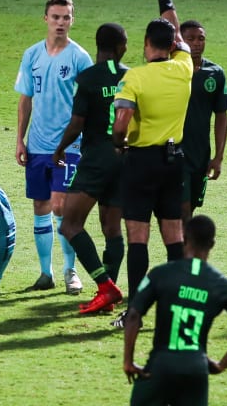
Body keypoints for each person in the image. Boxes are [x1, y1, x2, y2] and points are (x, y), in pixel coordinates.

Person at [111, 0, 192, 327]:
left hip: (141, 162)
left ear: (146, 45)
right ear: (173, 45)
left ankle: (135, 312)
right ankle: (174, 309)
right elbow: (175, 26)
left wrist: (119, 143)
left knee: (138, 238)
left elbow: (121, 124)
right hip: (174, 162)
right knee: (174, 237)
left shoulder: (135, 78)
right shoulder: (185, 67)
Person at [122, 215, 227, 406]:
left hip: (161, 365)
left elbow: (134, 315)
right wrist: (221, 365)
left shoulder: (160, 274)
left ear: (184, 238)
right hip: (196, 368)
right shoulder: (222, 284)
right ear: (212, 244)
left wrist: (128, 360)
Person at [14, 0, 93, 294]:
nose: (61, 22)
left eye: (66, 17)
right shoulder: (31, 55)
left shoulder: (79, 58)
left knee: (61, 206)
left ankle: (70, 270)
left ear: (72, 20)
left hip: (69, 146)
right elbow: (25, 99)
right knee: (40, 206)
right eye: (56, 17)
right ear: (45, 19)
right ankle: (45, 273)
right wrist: (20, 139)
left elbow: (90, 103)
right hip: (37, 144)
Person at [53, 23, 129, 314]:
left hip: (96, 158)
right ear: (121, 47)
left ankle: (105, 287)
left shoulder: (86, 78)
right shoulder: (130, 76)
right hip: (124, 157)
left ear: (98, 46)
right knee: (112, 228)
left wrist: (60, 148)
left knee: (69, 224)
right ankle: (108, 292)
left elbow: (77, 123)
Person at [179, 20, 227, 224]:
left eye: (200, 38)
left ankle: (181, 244)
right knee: (183, 212)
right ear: (180, 41)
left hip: (200, 155)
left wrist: (218, 157)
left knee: (189, 210)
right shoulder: (171, 70)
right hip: (175, 152)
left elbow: (221, 116)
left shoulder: (215, 73)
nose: (196, 43)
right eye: (190, 39)